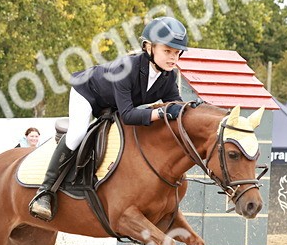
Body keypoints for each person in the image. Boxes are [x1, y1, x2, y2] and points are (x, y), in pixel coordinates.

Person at [28, 16, 190, 221]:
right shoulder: (127, 68)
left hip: (112, 103)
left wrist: (194, 109)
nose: (173, 58)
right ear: (149, 47)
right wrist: (161, 112)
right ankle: (44, 192)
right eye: (167, 51)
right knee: (78, 133)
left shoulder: (168, 76)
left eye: (177, 53)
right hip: (87, 93)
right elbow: (129, 115)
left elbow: (177, 105)